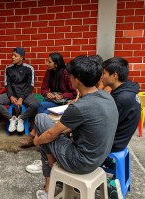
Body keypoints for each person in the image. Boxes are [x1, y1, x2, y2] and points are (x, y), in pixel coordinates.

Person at [32, 56, 118, 199]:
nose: (69, 79)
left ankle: (49, 186)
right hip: (99, 158)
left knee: (41, 121)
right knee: (48, 134)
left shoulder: (79, 107)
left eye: (70, 76)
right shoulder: (106, 96)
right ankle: (51, 179)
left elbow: (51, 135)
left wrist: (37, 141)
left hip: (80, 162)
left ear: (77, 80)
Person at [20, 52, 76, 148]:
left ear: (56, 64)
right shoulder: (49, 72)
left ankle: (34, 135)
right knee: (41, 105)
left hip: (64, 103)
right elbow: (43, 89)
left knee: (44, 111)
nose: (46, 63)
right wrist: (47, 93)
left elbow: (73, 92)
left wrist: (62, 95)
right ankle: (39, 136)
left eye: (49, 62)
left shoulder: (66, 73)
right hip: (53, 101)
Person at [101, 57, 140, 167]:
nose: (101, 77)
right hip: (121, 139)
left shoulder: (122, 98)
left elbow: (105, 124)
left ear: (114, 75)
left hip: (115, 143)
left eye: (104, 73)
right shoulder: (127, 91)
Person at [0, 47, 38, 133]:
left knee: (35, 104)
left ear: (22, 57)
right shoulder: (8, 69)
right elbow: (7, 84)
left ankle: (21, 118)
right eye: (12, 55)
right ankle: (12, 118)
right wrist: (11, 96)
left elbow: (30, 86)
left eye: (15, 55)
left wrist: (21, 98)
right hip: (12, 94)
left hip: (24, 94)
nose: (12, 57)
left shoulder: (29, 68)